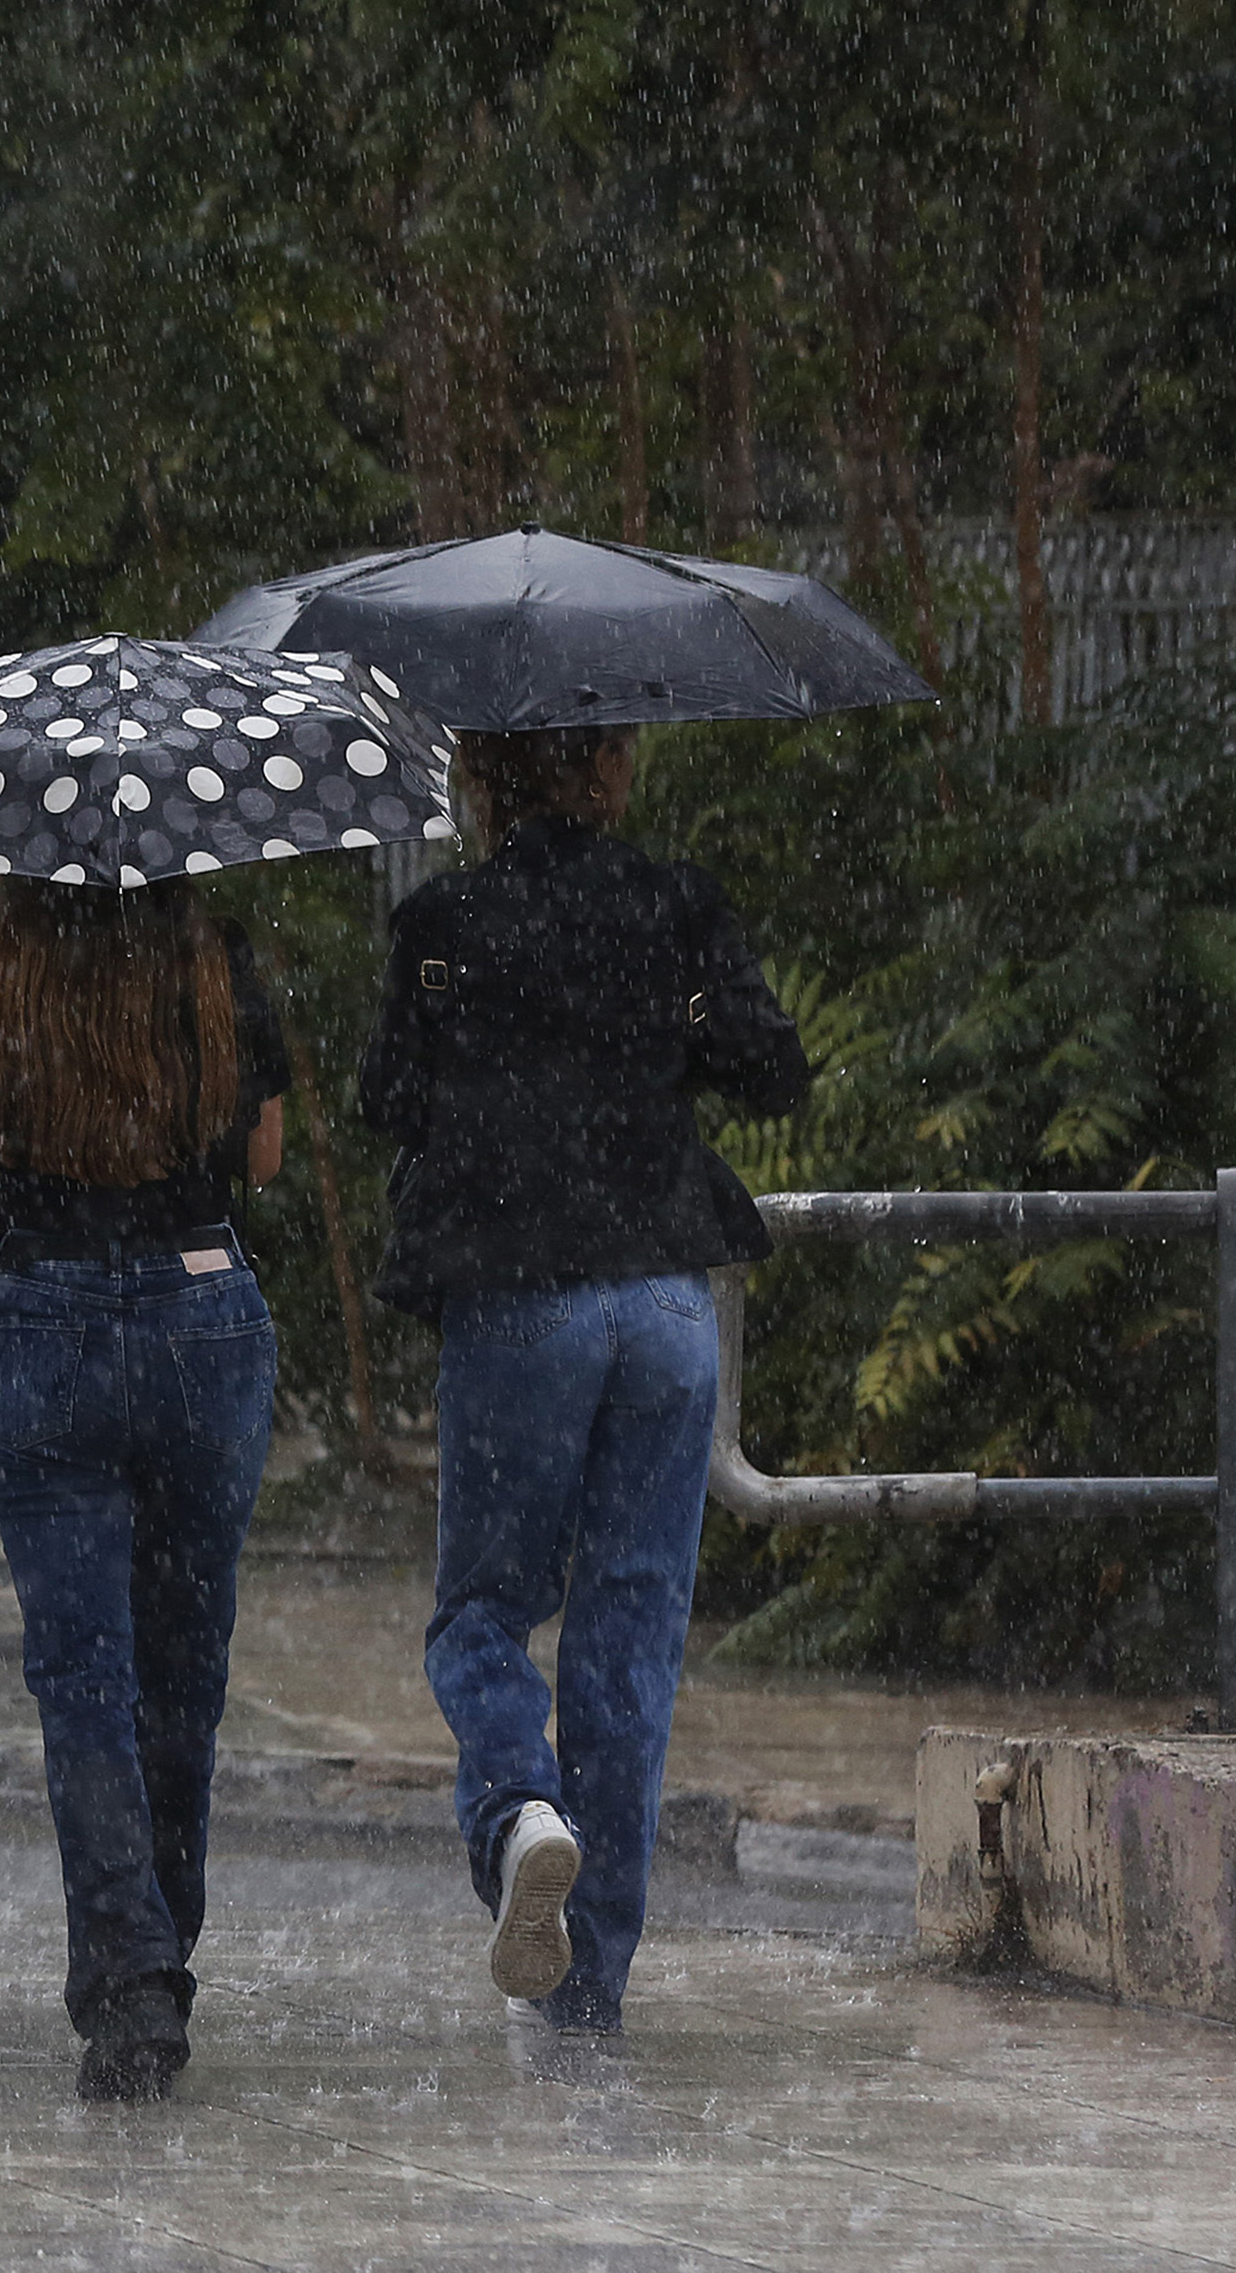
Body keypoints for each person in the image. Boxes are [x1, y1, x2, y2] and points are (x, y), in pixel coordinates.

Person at [360, 724, 808, 2046]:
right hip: (666, 1303)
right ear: (606, 767)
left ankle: (516, 1810)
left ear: (484, 773)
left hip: (520, 1302)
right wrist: (656, 1019)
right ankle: (583, 1997)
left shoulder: (443, 919)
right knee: (626, 1643)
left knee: (482, 1616)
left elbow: (389, 1095)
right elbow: (770, 1067)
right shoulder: (673, 904)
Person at [0, 873, 288, 2103]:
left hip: (48, 1319)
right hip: (201, 1308)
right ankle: (161, 1938)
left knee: (83, 1675)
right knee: (184, 1666)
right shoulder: (216, 964)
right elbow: (267, 1152)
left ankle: (131, 1981)